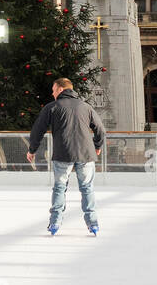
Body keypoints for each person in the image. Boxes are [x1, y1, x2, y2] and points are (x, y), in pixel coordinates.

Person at [26, 78, 105, 236]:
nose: (52, 92)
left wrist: (32, 150)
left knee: (60, 188)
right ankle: (93, 223)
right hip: (86, 154)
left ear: (61, 89)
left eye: (54, 89)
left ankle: (55, 222)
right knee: (87, 188)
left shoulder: (52, 107)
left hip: (63, 154)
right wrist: (97, 146)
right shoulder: (86, 107)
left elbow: (38, 130)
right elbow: (100, 129)